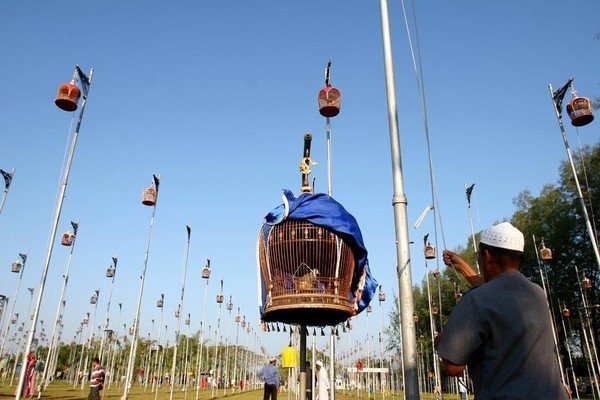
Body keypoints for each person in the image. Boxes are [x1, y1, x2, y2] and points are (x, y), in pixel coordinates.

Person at [435, 222, 567, 399]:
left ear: (487, 255)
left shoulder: (476, 300)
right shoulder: (537, 294)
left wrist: (443, 344)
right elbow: (498, 292)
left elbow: (453, 367)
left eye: (478, 256)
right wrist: (462, 266)